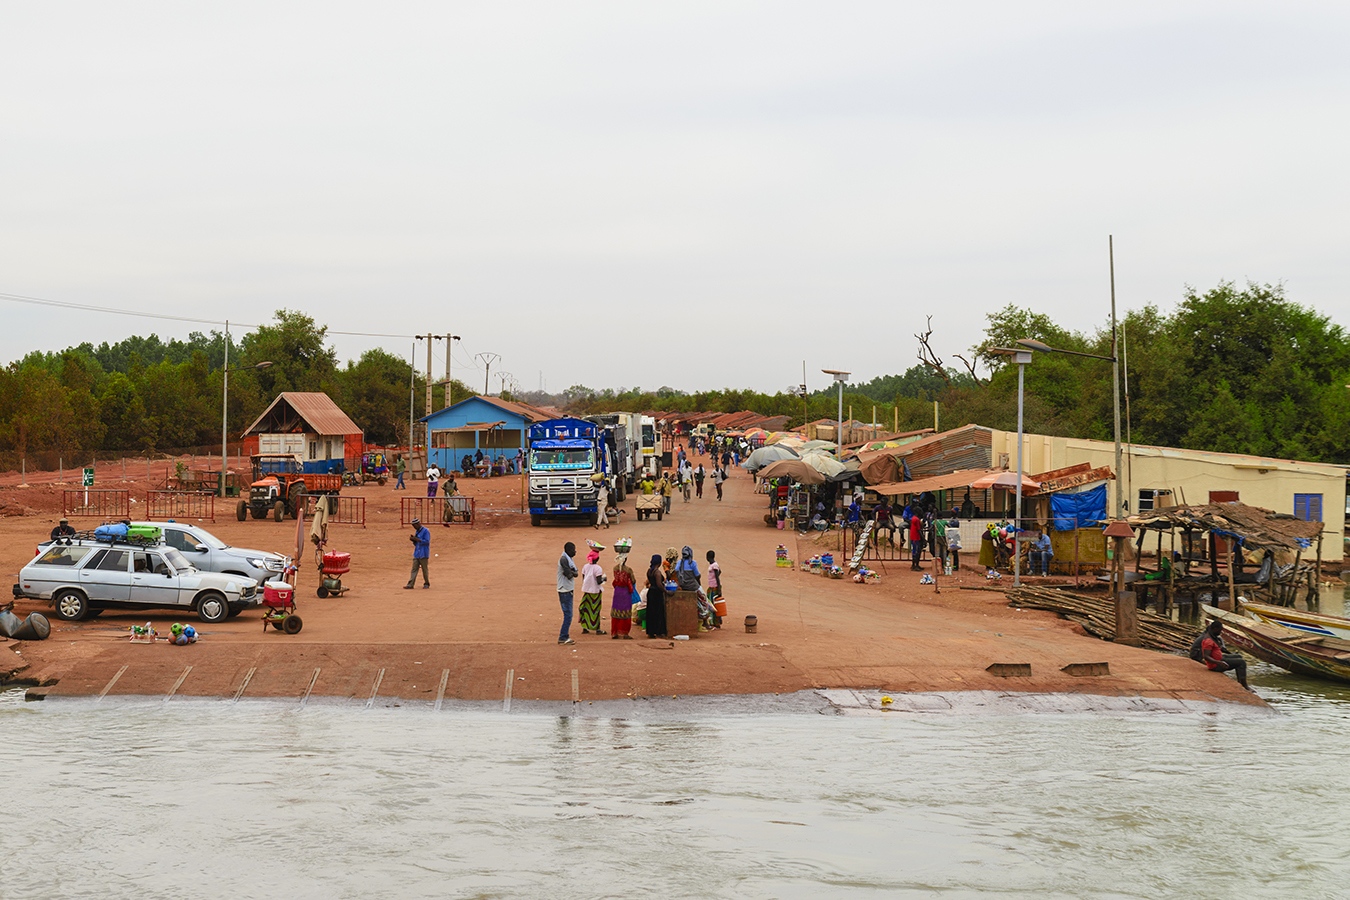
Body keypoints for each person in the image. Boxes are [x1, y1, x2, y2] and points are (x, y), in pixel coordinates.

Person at [1197, 620, 1250, 689]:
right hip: (1215, 665)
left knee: (1238, 656)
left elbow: (1216, 648)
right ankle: (1244, 686)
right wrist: (1219, 662)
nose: (1220, 632)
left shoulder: (1212, 636)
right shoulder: (1208, 641)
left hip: (1219, 659)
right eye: (1220, 630)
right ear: (1215, 629)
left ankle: (1240, 681)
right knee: (1241, 662)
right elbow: (1206, 656)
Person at [610, 547, 636, 639]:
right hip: (625, 592)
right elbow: (633, 580)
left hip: (617, 592)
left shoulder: (615, 568)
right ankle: (625, 633)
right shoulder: (628, 570)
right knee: (626, 613)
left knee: (616, 612)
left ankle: (615, 633)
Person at [579, 549, 607, 635]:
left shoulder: (585, 567)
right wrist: (604, 579)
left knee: (585, 608)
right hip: (595, 592)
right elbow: (598, 581)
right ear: (597, 559)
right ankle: (597, 629)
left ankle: (584, 627)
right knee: (595, 609)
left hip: (587, 591)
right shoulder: (598, 568)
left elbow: (584, 578)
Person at [557, 542, 579, 645]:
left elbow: (575, 573)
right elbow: (570, 575)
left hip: (568, 589)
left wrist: (572, 572)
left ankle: (564, 636)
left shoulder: (568, 558)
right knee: (568, 615)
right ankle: (563, 636)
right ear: (568, 550)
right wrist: (572, 572)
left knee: (568, 614)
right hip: (564, 590)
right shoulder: (564, 559)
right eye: (573, 550)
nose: (575, 552)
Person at [644, 553, 667, 638]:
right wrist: (666, 591)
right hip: (657, 593)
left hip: (651, 592)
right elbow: (659, 584)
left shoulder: (649, 571)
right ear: (659, 562)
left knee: (651, 612)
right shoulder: (657, 572)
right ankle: (659, 631)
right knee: (659, 612)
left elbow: (651, 582)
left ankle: (651, 632)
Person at [404, 517, 431, 589]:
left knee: (424, 569)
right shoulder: (417, 531)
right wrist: (413, 540)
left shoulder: (426, 531)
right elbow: (416, 544)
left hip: (424, 553)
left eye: (415, 525)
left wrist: (417, 540)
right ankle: (410, 584)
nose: (414, 527)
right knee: (414, 569)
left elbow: (427, 542)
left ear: (418, 524)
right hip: (417, 553)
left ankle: (426, 583)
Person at [706, 549, 724, 628]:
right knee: (712, 604)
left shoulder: (714, 565)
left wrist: (719, 588)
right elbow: (720, 572)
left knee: (714, 605)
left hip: (715, 587)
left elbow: (717, 576)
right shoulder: (713, 565)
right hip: (711, 587)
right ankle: (714, 621)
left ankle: (716, 622)